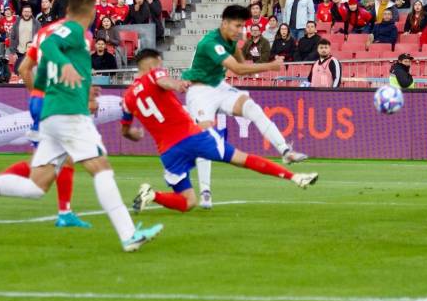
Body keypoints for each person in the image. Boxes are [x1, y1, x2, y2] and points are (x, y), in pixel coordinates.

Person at [0, 0, 163, 251]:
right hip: (68, 113)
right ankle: (128, 234)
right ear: (90, 11)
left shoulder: (57, 31)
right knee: (101, 167)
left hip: (52, 112)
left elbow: (38, 72)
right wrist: (66, 69)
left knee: (37, 184)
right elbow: (49, 47)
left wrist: (70, 89)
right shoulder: (75, 30)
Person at [124, 49, 318, 213]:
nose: (161, 68)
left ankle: (152, 194)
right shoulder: (154, 74)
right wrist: (177, 84)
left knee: (188, 202)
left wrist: (133, 134)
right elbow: (164, 81)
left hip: (168, 152)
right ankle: (295, 177)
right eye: (160, 65)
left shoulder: (127, 98)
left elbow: (125, 130)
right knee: (242, 159)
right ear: (152, 66)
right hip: (192, 137)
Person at [182, 4, 308, 209]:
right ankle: (205, 190)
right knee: (205, 137)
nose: (240, 30)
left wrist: (261, 61)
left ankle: (285, 151)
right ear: (224, 23)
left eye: (242, 26)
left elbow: (243, 62)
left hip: (219, 87)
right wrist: (271, 66)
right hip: (199, 92)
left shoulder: (232, 41)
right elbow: (239, 70)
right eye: (237, 26)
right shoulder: (211, 43)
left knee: (252, 108)